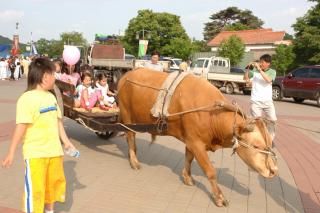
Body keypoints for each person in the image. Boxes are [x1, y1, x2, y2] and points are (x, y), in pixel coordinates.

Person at [1, 57, 77, 213]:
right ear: (44, 76)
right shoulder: (26, 99)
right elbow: (21, 126)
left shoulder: (51, 97)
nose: (55, 78)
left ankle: (49, 211)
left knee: (52, 188)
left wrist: (66, 142)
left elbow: (58, 122)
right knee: (35, 190)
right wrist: (11, 152)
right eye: (53, 74)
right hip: (35, 154)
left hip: (54, 152)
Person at [244, 54, 277, 141]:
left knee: (272, 121)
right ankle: (258, 140)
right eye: (260, 62)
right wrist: (248, 68)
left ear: (268, 63)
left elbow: (268, 80)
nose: (260, 64)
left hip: (268, 102)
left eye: (262, 62)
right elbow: (246, 79)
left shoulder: (272, 72)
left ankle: (270, 140)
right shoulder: (254, 71)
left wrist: (259, 70)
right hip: (256, 101)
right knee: (256, 122)